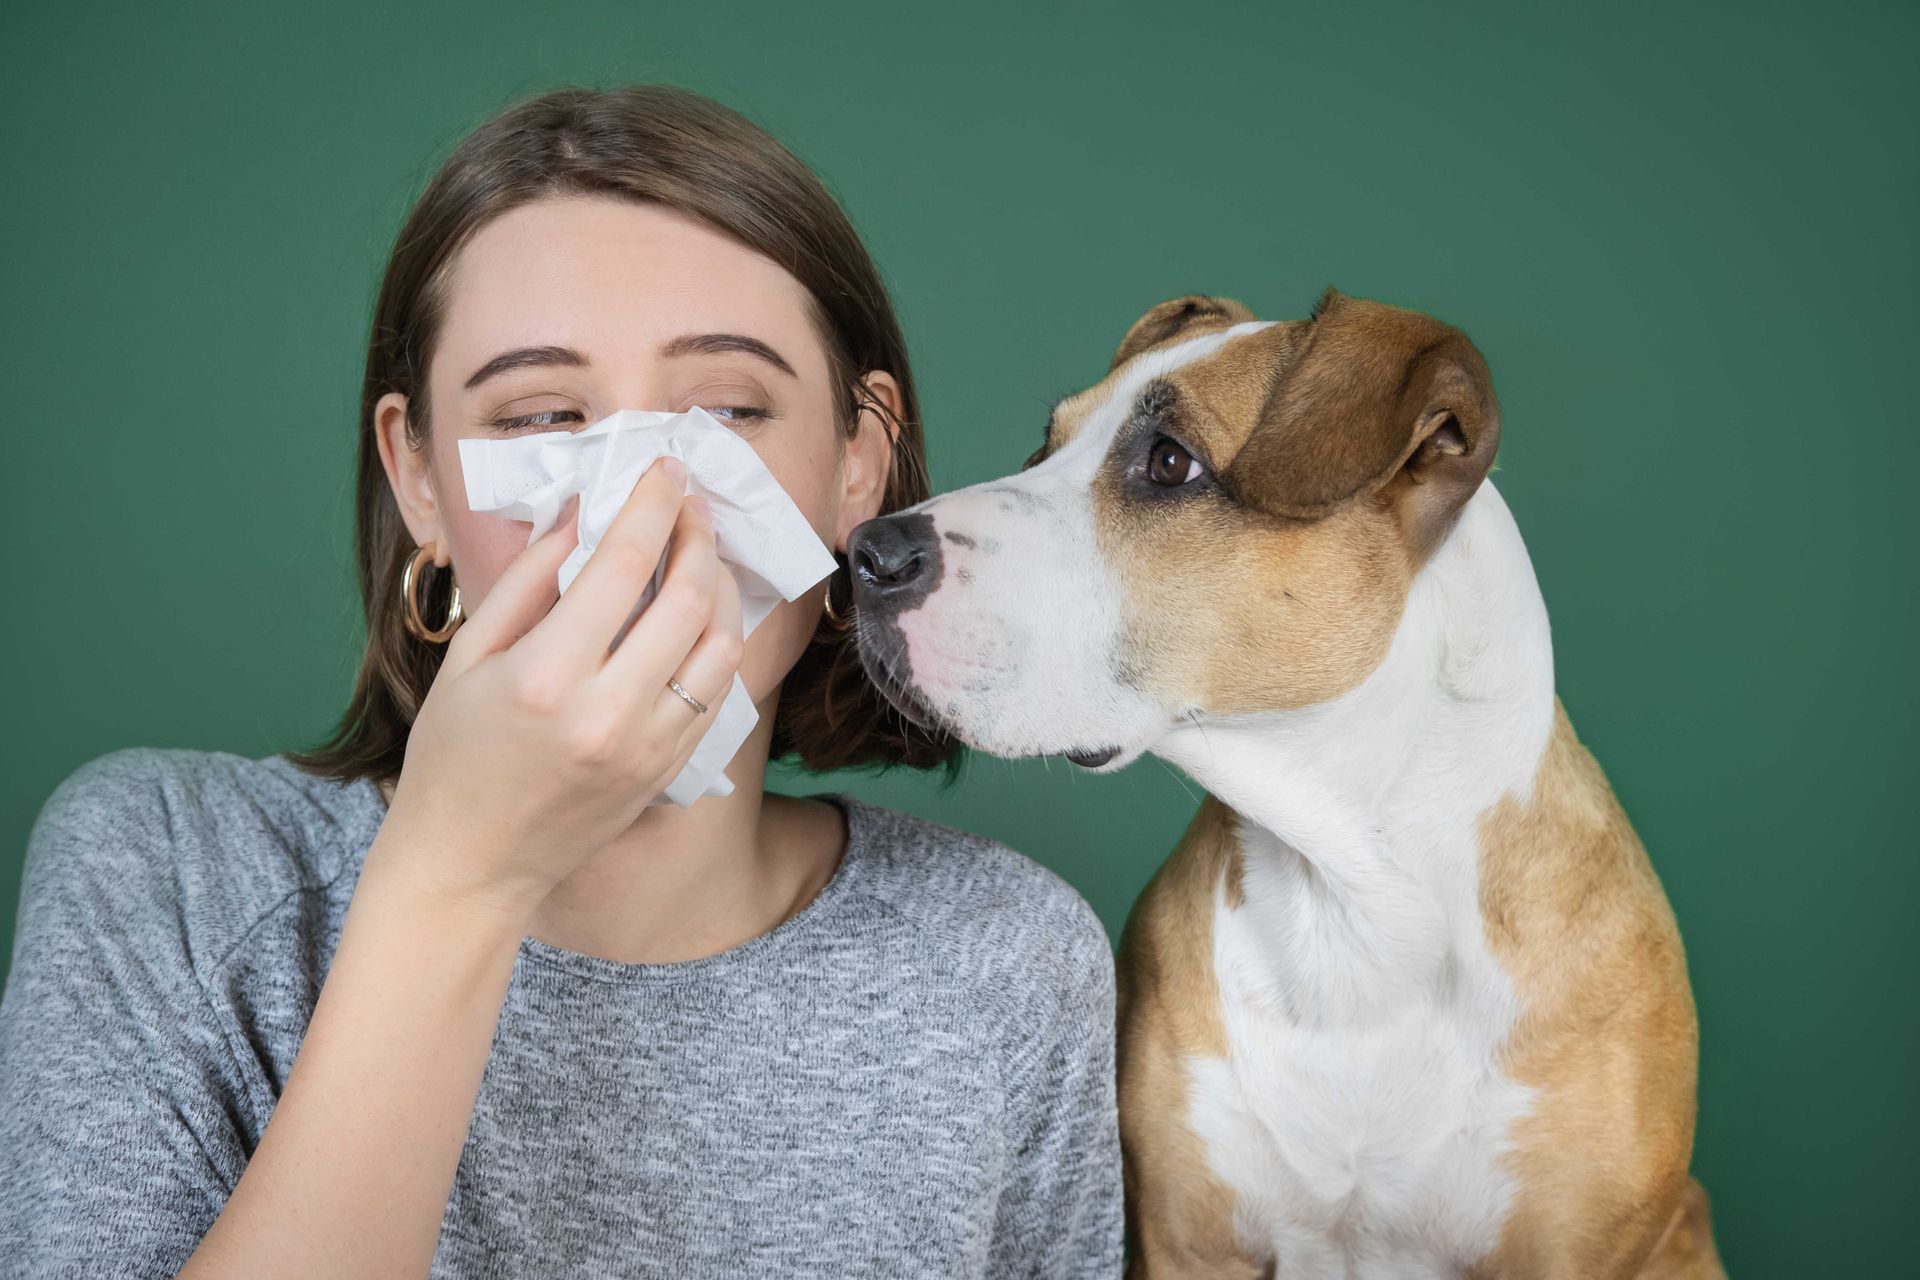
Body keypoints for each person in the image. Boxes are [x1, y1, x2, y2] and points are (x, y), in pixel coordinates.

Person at [0, 84, 1122, 1278]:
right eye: (543, 416)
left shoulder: (1006, 956)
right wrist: (460, 871)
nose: (642, 502)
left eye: (729, 409)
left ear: (860, 458)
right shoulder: (163, 871)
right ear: (421, 478)